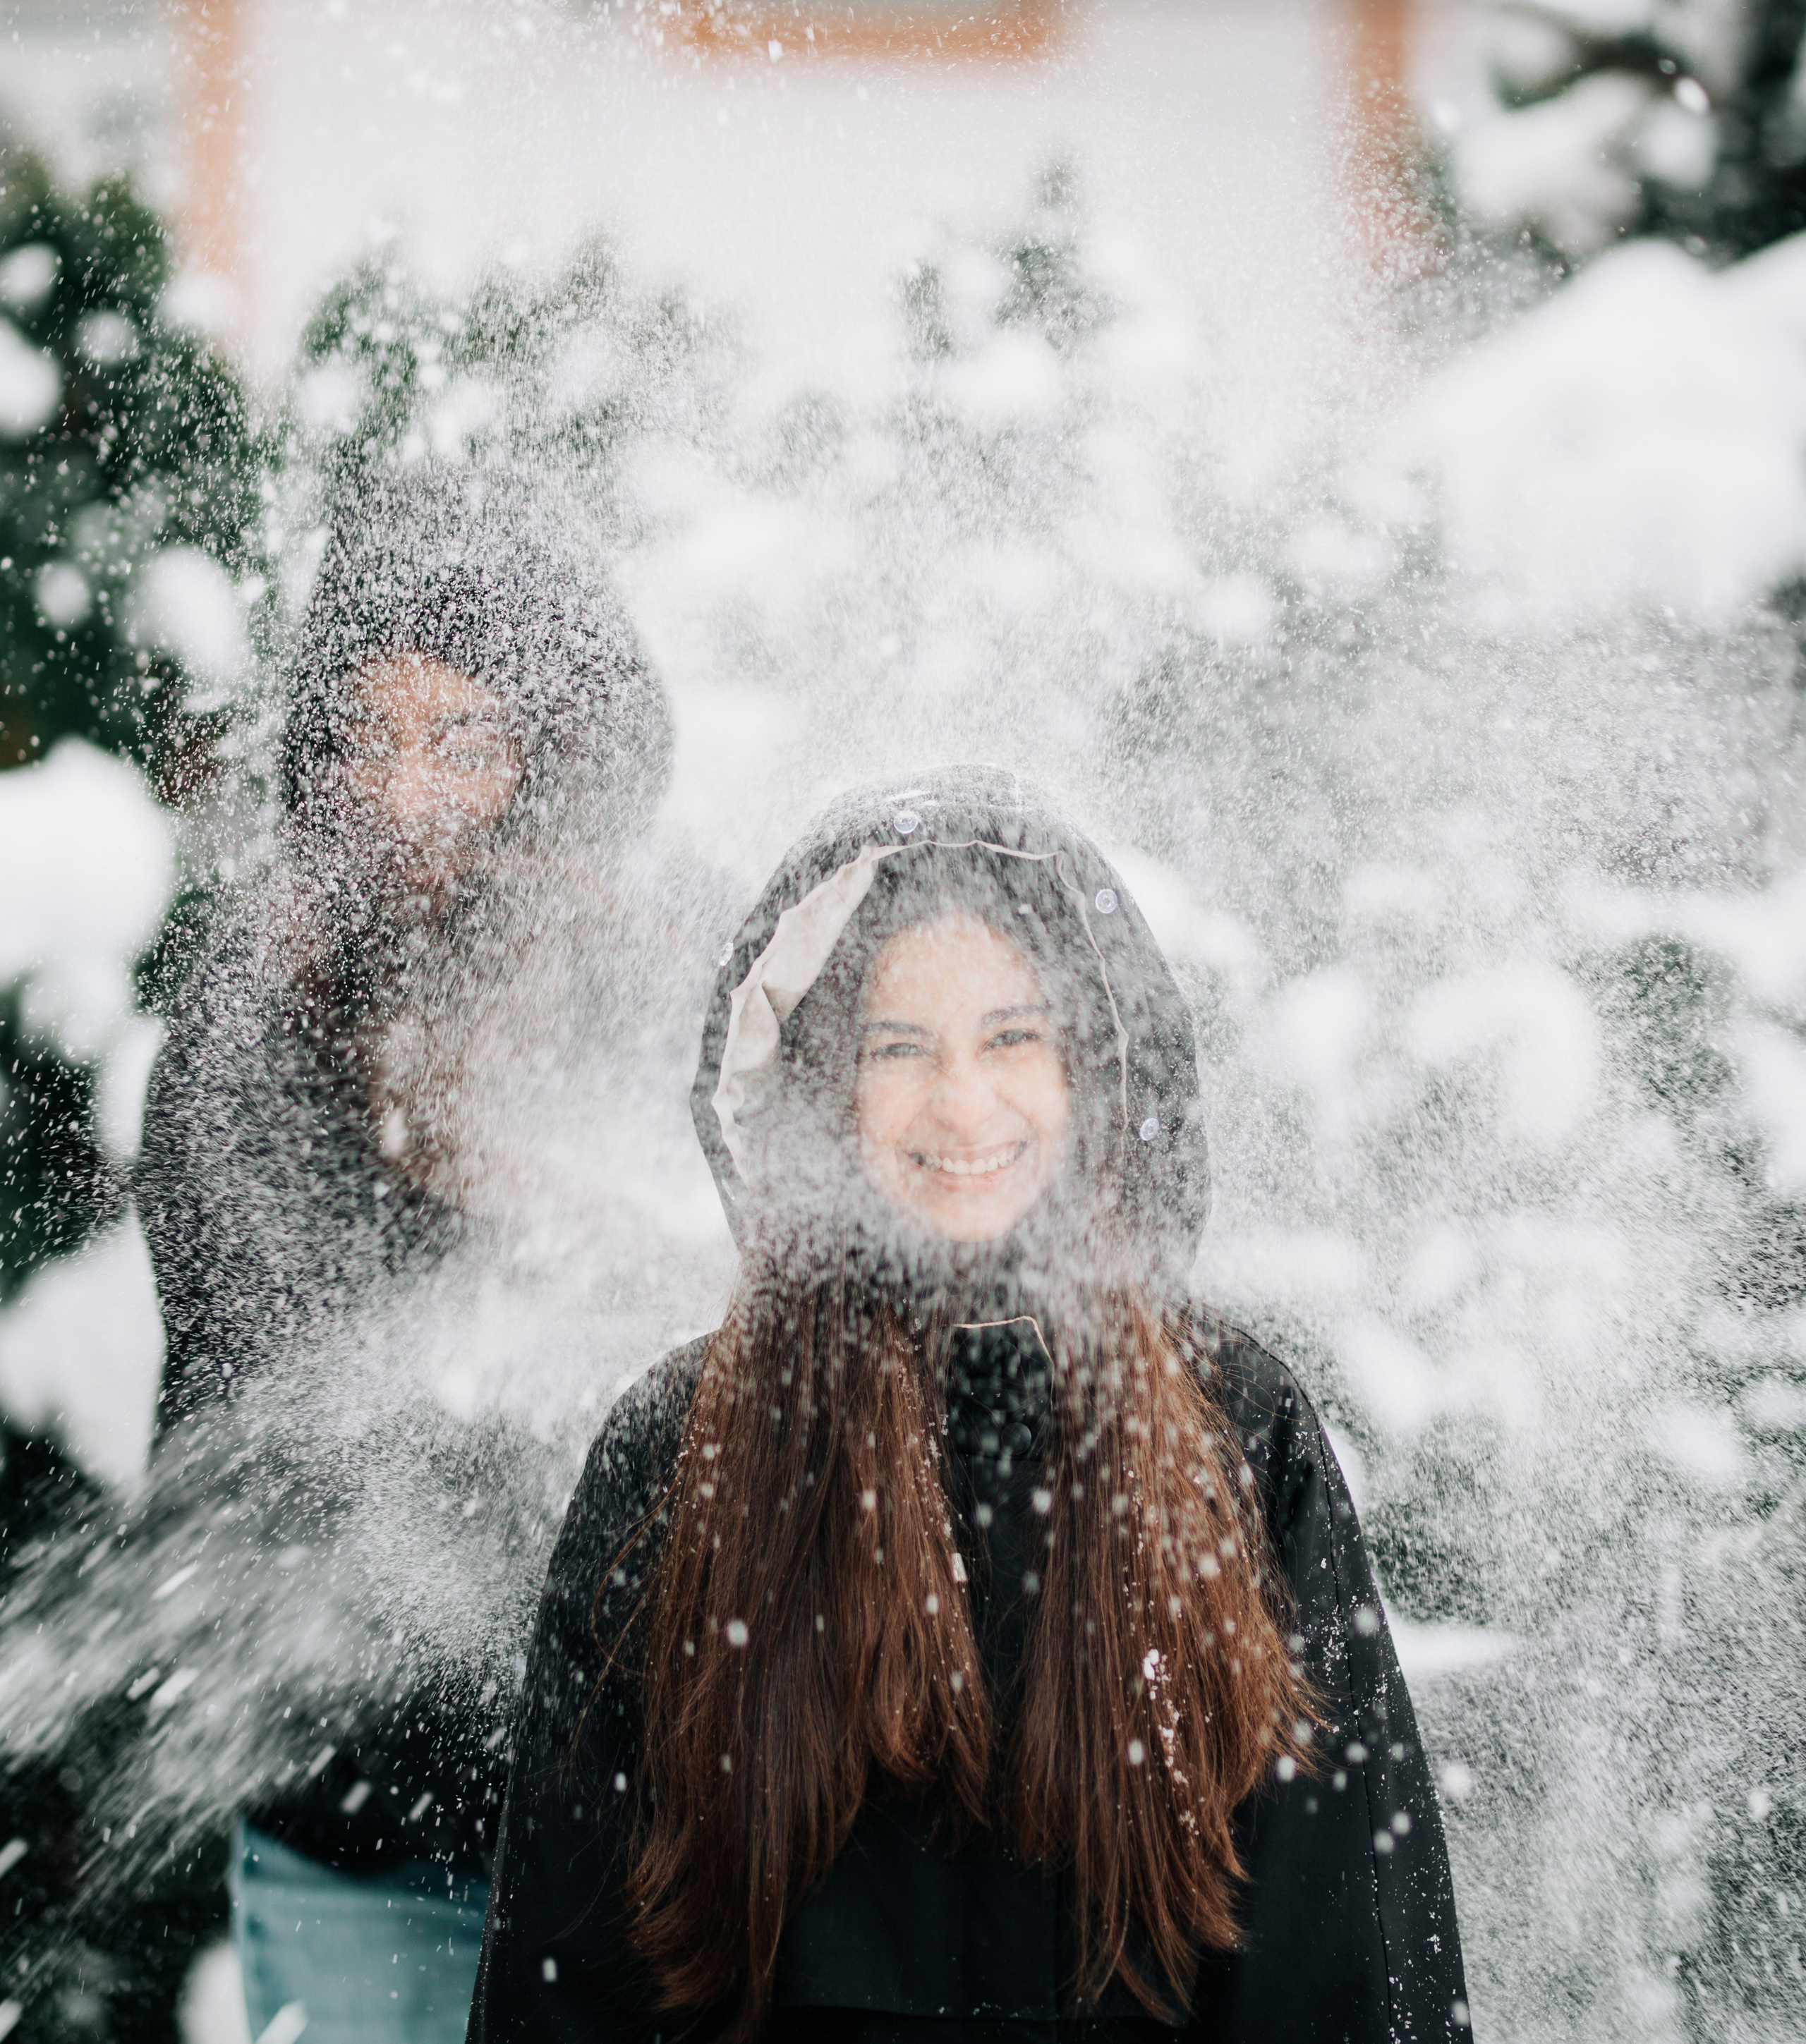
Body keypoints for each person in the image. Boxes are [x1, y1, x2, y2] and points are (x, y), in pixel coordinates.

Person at [468, 765, 1471, 2044]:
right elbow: (568, 1985)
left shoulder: (1236, 1431)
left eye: (1011, 1036)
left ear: (1089, 1067)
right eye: (899, 1047)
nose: (962, 1101)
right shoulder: (682, 1450)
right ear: (826, 1086)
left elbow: (1349, 1966)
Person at [134, 464, 672, 2044]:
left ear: (561, 758)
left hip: (656, 1851)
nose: (412, 794)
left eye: (467, 741)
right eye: (369, 738)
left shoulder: (659, 980)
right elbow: (293, 1439)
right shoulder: (252, 1027)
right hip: (367, 1843)